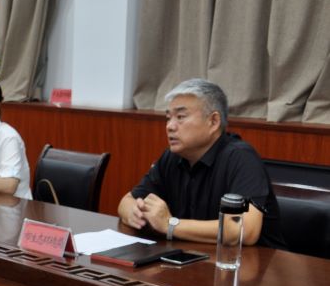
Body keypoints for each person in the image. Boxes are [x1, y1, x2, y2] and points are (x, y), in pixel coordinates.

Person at [118, 78, 286, 248]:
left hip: (252, 267)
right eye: (168, 118)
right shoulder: (171, 157)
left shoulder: (241, 158)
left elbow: (243, 229)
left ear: (213, 121)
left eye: (180, 117)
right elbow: (127, 201)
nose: (169, 126)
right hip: (194, 260)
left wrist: (170, 224)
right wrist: (136, 213)